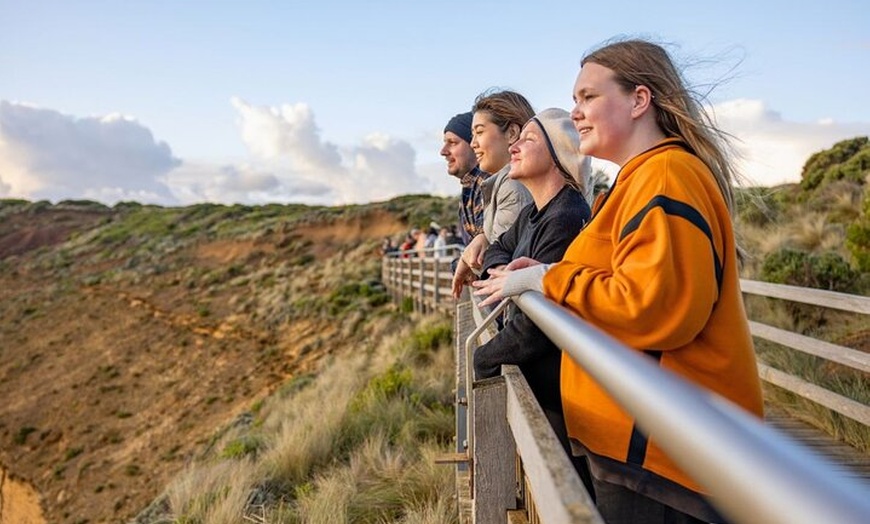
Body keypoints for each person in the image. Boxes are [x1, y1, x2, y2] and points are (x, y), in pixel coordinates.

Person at [473, 38, 763, 523]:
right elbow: (618, 276)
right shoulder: (637, 180)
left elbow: (653, 306)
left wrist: (549, 281)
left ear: (639, 100)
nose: (576, 111)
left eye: (588, 97)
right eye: (575, 99)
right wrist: (553, 274)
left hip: (666, 457)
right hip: (641, 447)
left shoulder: (667, 176)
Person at [471, 108, 594, 491]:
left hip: (562, 395)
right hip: (543, 384)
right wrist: (508, 275)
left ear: (558, 155)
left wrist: (484, 357)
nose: (515, 144)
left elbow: (538, 325)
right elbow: (496, 250)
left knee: (565, 488)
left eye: (529, 138)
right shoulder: (532, 214)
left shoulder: (567, 217)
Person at [452, 89, 534, 298]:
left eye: (479, 132)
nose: (473, 143)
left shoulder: (513, 185)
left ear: (512, 134)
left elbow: (500, 265)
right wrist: (481, 237)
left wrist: (465, 261)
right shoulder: (501, 183)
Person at [441, 112, 489, 246]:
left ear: (474, 144)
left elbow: (481, 253)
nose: (443, 151)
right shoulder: (469, 187)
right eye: (445, 143)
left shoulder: (486, 184)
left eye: (452, 142)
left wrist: (457, 264)